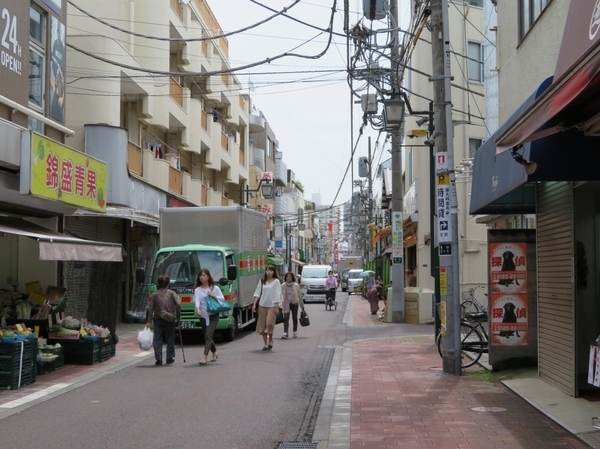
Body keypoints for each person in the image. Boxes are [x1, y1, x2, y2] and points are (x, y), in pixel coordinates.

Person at [194, 269, 226, 365]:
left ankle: (204, 356)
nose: (202, 277)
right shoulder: (197, 290)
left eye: (204, 275)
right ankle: (214, 352)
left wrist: (213, 295)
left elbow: (222, 299)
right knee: (207, 335)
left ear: (208, 277)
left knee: (208, 335)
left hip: (213, 316)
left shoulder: (214, 288)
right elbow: (197, 302)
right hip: (203, 316)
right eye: (200, 275)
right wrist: (198, 309)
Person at [146, 274, 180, 365]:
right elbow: (178, 305)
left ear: (158, 284)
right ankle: (169, 358)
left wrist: (148, 321)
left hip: (158, 318)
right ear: (168, 283)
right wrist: (178, 317)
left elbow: (150, 308)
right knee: (170, 338)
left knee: (157, 339)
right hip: (170, 318)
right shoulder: (172, 293)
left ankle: (159, 359)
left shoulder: (154, 294)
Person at [252, 265, 282, 350]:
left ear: (274, 272)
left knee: (269, 323)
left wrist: (277, 305)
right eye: (267, 270)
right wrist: (254, 304)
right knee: (262, 325)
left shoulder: (276, 281)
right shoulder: (262, 281)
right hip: (262, 305)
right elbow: (257, 293)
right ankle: (266, 344)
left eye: (271, 271)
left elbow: (278, 293)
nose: (269, 272)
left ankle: (271, 340)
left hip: (272, 306)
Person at [281, 272, 304, 339]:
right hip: (286, 304)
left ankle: (295, 331)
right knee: (286, 318)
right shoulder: (283, 285)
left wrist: (302, 306)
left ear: (292, 277)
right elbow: (280, 295)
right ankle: (285, 332)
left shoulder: (296, 285)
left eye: (290, 276)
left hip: (294, 303)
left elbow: (299, 296)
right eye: (287, 276)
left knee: (294, 318)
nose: (288, 278)